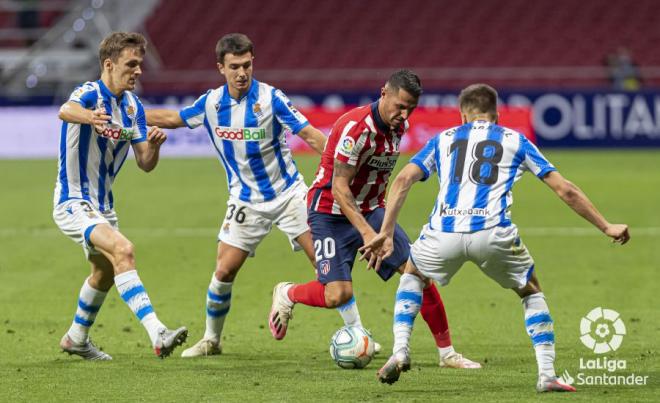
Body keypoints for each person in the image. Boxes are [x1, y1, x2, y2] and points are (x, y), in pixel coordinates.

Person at [361, 83, 630, 391]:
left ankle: (400, 350)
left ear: (463, 116)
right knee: (531, 291)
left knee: (412, 273)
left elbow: (404, 178)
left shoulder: (443, 139)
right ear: (497, 115)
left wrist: (386, 232)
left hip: (443, 232)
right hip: (493, 233)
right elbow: (565, 189)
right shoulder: (516, 140)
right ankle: (546, 374)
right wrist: (606, 226)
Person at [146, 33, 376, 357]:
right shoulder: (211, 104)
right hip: (244, 200)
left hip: (289, 194)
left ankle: (358, 333)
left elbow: (310, 135)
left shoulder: (272, 99)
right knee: (224, 270)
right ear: (220, 68)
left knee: (325, 264)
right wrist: (130, 116)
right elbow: (172, 118)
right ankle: (212, 339)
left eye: (247, 65)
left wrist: (344, 169)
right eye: (235, 67)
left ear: (253, 61)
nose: (242, 73)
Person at [268, 70, 480, 369]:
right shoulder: (356, 128)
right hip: (330, 212)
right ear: (384, 93)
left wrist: (384, 227)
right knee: (337, 295)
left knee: (419, 273)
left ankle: (447, 353)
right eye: (399, 105)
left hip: (370, 209)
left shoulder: (398, 126)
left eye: (410, 108)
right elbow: (339, 188)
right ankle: (288, 293)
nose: (403, 114)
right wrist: (369, 234)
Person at [54, 32, 188, 360]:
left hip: (104, 207)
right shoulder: (88, 94)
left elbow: (145, 163)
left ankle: (75, 338)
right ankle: (158, 333)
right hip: (74, 201)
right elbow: (64, 110)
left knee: (104, 273)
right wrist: (91, 118)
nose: (138, 70)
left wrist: (154, 148)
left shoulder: (132, 107)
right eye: (131, 64)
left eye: (139, 64)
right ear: (109, 64)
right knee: (123, 250)